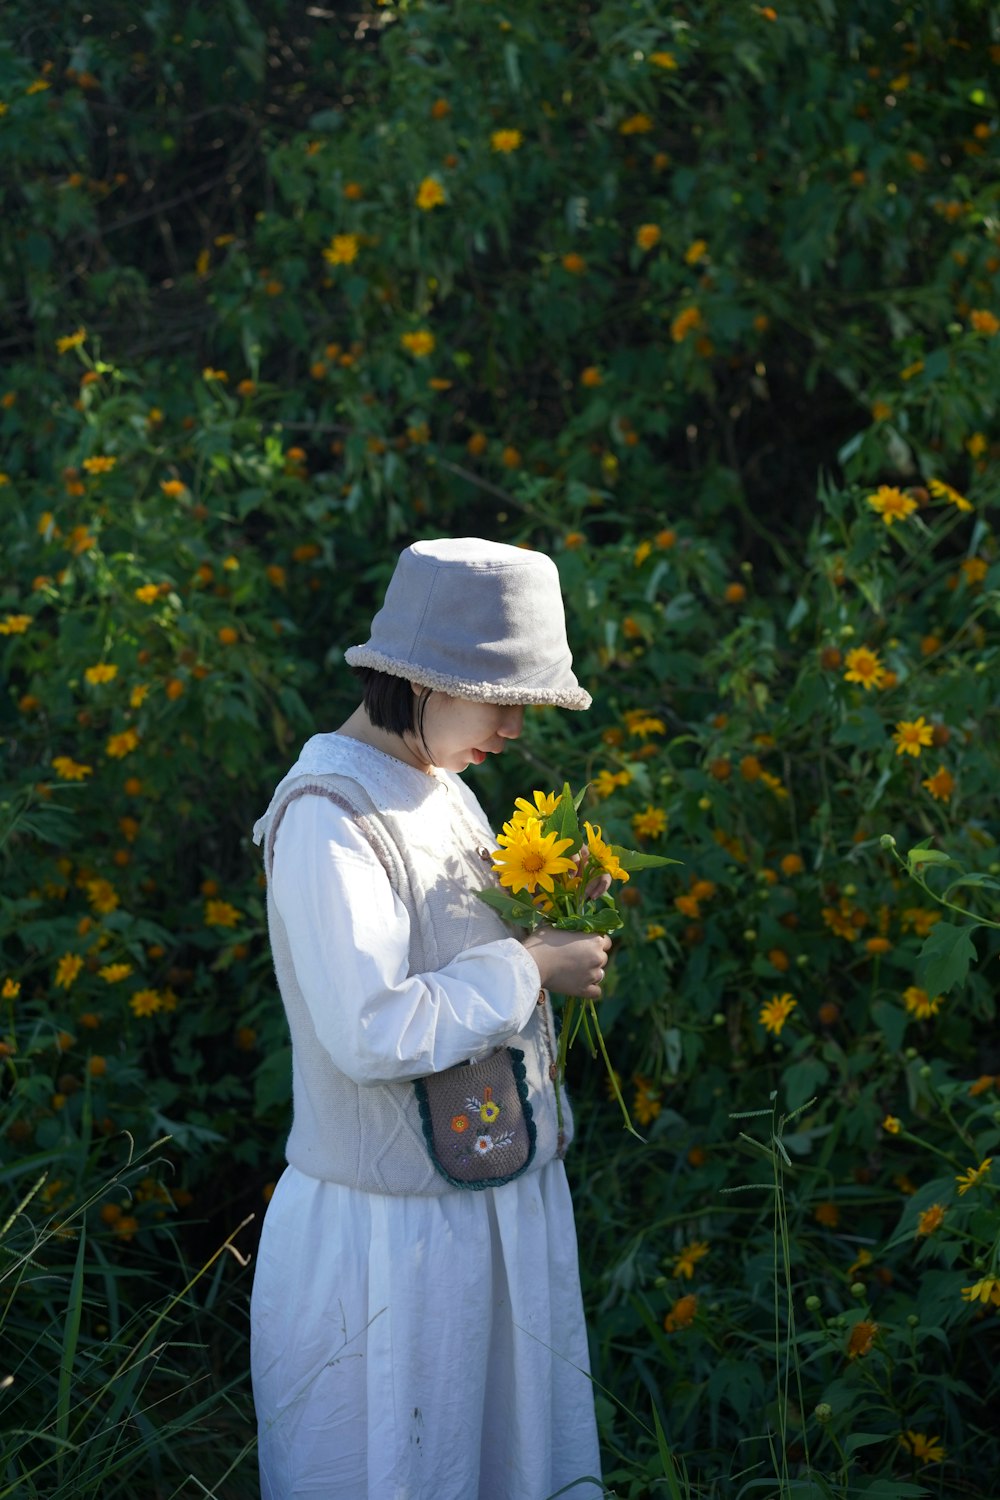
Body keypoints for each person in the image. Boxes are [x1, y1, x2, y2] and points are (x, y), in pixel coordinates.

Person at [250, 537, 610, 1500]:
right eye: (499, 699)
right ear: (423, 680)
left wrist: (547, 913)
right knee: (401, 1467)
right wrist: (531, 966)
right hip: (388, 1240)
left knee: (495, 1462)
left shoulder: (443, 790)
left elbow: (446, 951)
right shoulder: (331, 815)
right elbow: (372, 1029)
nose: (512, 729)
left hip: (483, 1203)